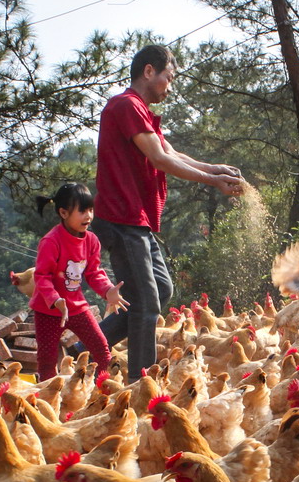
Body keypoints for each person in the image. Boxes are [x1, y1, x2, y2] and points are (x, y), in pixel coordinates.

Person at [91, 44, 243, 378]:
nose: (169, 87)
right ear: (149, 71)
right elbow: (160, 160)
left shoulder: (141, 112)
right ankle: (141, 384)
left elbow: (171, 153)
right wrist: (213, 181)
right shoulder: (126, 105)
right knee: (145, 304)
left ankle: (86, 347)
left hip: (138, 220)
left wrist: (217, 170)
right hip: (123, 217)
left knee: (161, 289)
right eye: (168, 78)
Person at [30, 183, 129, 381]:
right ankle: (48, 402)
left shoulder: (92, 241)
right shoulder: (51, 241)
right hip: (48, 311)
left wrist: (108, 290)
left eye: (91, 210)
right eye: (82, 211)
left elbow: (94, 273)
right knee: (47, 361)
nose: (89, 216)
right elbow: (42, 276)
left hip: (76, 307)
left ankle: (101, 390)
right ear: (64, 213)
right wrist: (55, 299)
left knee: (102, 349)